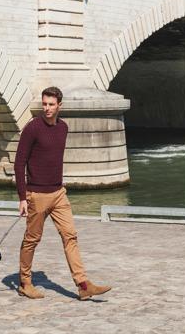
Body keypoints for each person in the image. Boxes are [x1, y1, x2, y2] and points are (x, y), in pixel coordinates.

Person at [14, 86, 112, 300]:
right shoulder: (32, 128)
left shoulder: (63, 128)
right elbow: (19, 163)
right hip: (37, 195)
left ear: (59, 105)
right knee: (32, 240)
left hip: (59, 193)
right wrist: (22, 197)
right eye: (44, 104)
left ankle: (83, 285)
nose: (47, 108)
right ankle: (25, 283)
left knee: (70, 236)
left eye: (51, 104)